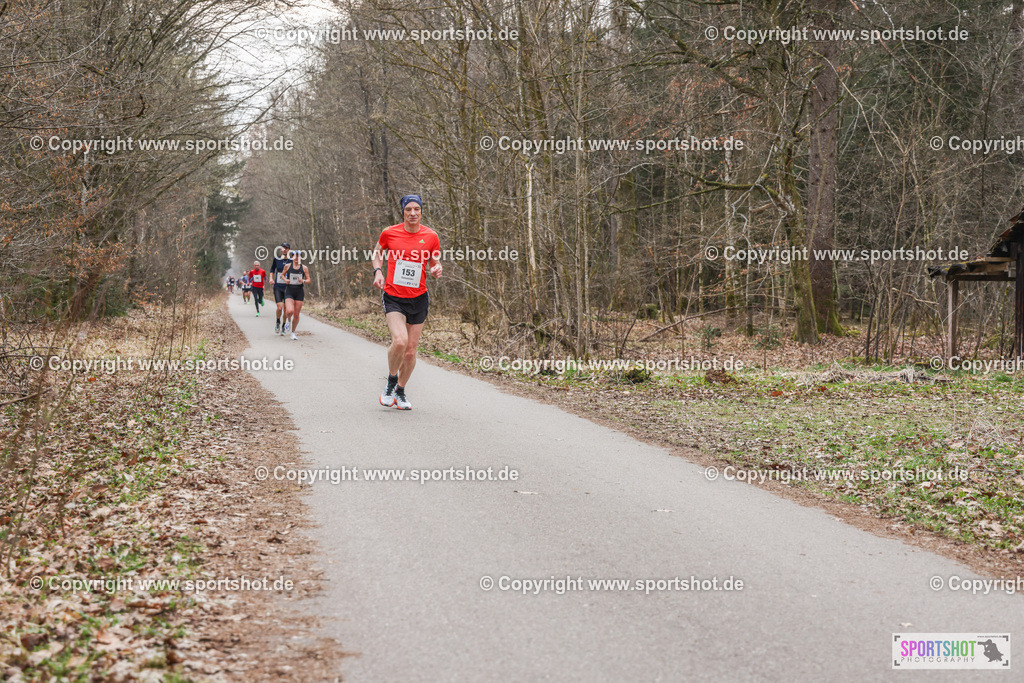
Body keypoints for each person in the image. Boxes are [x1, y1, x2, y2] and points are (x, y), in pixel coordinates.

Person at [372, 194, 442, 410]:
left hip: (419, 298)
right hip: (393, 295)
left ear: (421, 211)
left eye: (416, 209)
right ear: (403, 212)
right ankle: (391, 381)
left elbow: (435, 259)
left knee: (411, 351)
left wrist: (437, 268)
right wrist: (378, 272)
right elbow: (377, 253)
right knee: (400, 341)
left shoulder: (431, 236)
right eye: (408, 209)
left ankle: (400, 391)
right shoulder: (389, 233)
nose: (412, 213)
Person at [280, 251, 311, 341]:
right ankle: (288, 321)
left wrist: (304, 281)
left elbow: (309, 279)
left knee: (296, 314)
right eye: (295, 256)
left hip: (299, 291)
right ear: (292, 257)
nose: (297, 258)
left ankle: (293, 332)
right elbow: (282, 275)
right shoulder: (287, 266)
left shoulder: (304, 268)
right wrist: (286, 279)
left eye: (298, 256)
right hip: (289, 290)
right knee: (289, 311)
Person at [270, 243, 291, 334]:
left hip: (288, 287)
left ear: (289, 250)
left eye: (286, 248)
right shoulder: (277, 259)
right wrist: (271, 278)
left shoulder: (292, 260)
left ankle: (283, 326)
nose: (285, 250)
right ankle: (278, 322)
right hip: (278, 286)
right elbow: (272, 270)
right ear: (281, 249)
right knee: (279, 308)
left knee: (286, 309)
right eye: (283, 248)